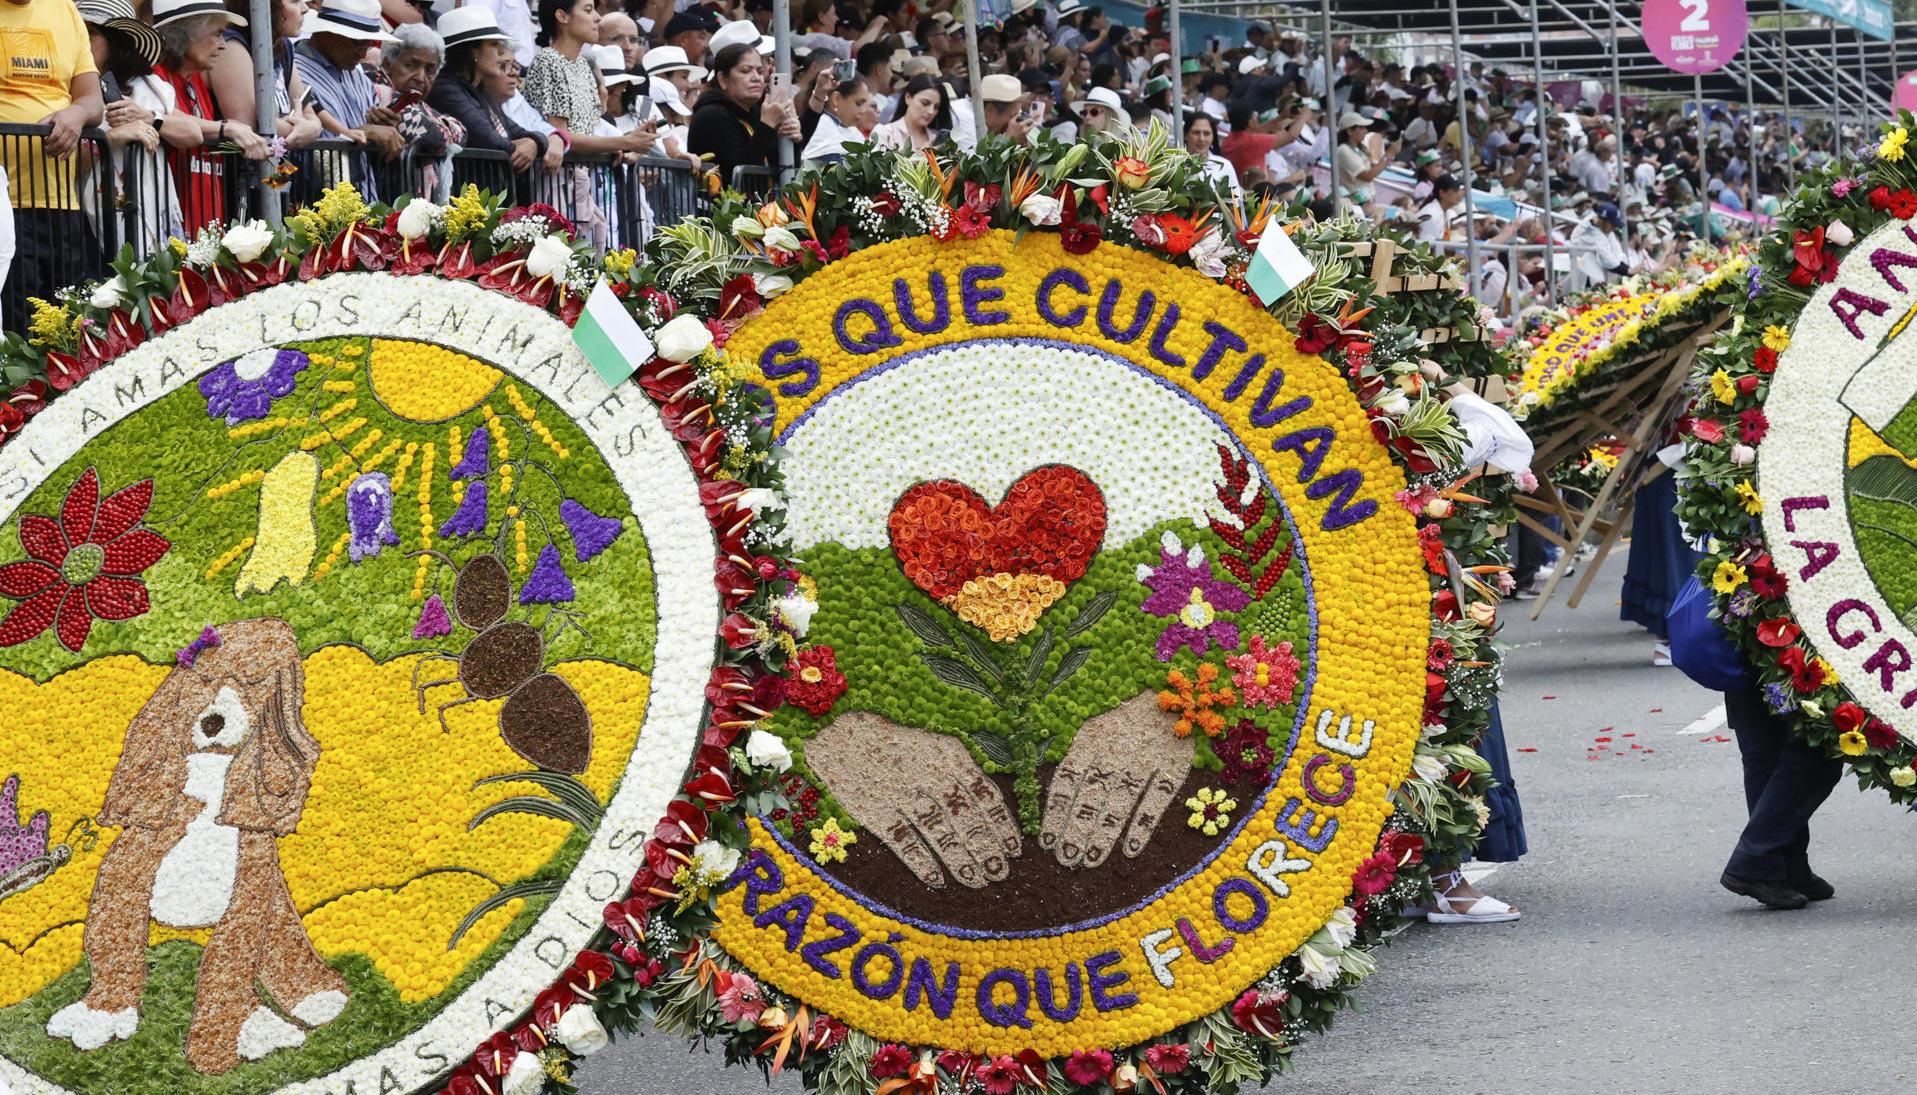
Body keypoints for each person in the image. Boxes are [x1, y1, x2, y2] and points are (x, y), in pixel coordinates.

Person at [0, 0, 105, 327]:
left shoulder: (64, 9)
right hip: (5, 205)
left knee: (68, 330)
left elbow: (92, 101)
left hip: (62, 204)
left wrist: (76, 114)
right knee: (15, 334)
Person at [151, 0, 269, 232]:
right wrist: (226, 128)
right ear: (184, 34)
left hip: (204, 227)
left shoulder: (196, 80)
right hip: (171, 231)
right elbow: (163, 115)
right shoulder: (154, 75)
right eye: (217, 34)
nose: (223, 45)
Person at [428, 6, 562, 190]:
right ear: (473, 51)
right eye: (493, 44)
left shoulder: (480, 92)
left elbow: (519, 131)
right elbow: (490, 142)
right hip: (463, 206)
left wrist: (534, 142)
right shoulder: (445, 88)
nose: (501, 53)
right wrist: (530, 144)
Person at [523, 0, 657, 157]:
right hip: (556, 178)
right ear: (562, 16)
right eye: (588, 10)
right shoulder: (549, 61)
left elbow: (591, 129)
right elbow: (560, 136)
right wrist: (625, 142)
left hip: (586, 175)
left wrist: (616, 148)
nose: (598, 17)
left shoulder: (583, 64)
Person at [295, 0, 405, 187]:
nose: (362, 55)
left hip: (362, 199)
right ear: (327, 32)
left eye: (368, 45)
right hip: (312, 205)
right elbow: (301, 150)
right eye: (356, 43)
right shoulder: (293, 72)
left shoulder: (360, 79)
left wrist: (385, 134)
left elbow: (372, 152)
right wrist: (362, 133)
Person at [687, 42, 797, 193]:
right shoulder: (710, 115)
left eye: (759, 71)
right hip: (722, 213)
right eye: (745, 71)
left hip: (762, 210)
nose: (756, 78)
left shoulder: (758, 112)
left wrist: (793, 138)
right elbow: (739, 171)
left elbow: (785, 169)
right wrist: (767, 124)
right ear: (723, 79)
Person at [372, 23, 466, 200]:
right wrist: (442, 127)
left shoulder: (415, 102)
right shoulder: (376, 91)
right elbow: (437, 136)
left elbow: (461, 131)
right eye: (411, 65)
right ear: (387, 64)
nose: (420, 77)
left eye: (430, 70)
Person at [800, 73, 870, 165]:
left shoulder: (853, 130)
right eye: (858, 103)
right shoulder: (821, 126)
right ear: (836, 99)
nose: (863, 111)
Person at [869, 73, 947, 153]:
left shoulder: (937, 138)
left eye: (936, 107)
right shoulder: (885, 132)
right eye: (925, 103)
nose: (931, 111)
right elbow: (876, 164)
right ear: (908, 98)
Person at [1184, 112, 1239, 196]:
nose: (1201, 139)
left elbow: (1237, 202)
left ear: (1213, 137)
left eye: (1207, 133)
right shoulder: (1175, 165)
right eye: (1196, 133)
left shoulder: (1225, 165)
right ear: (1185, 135)